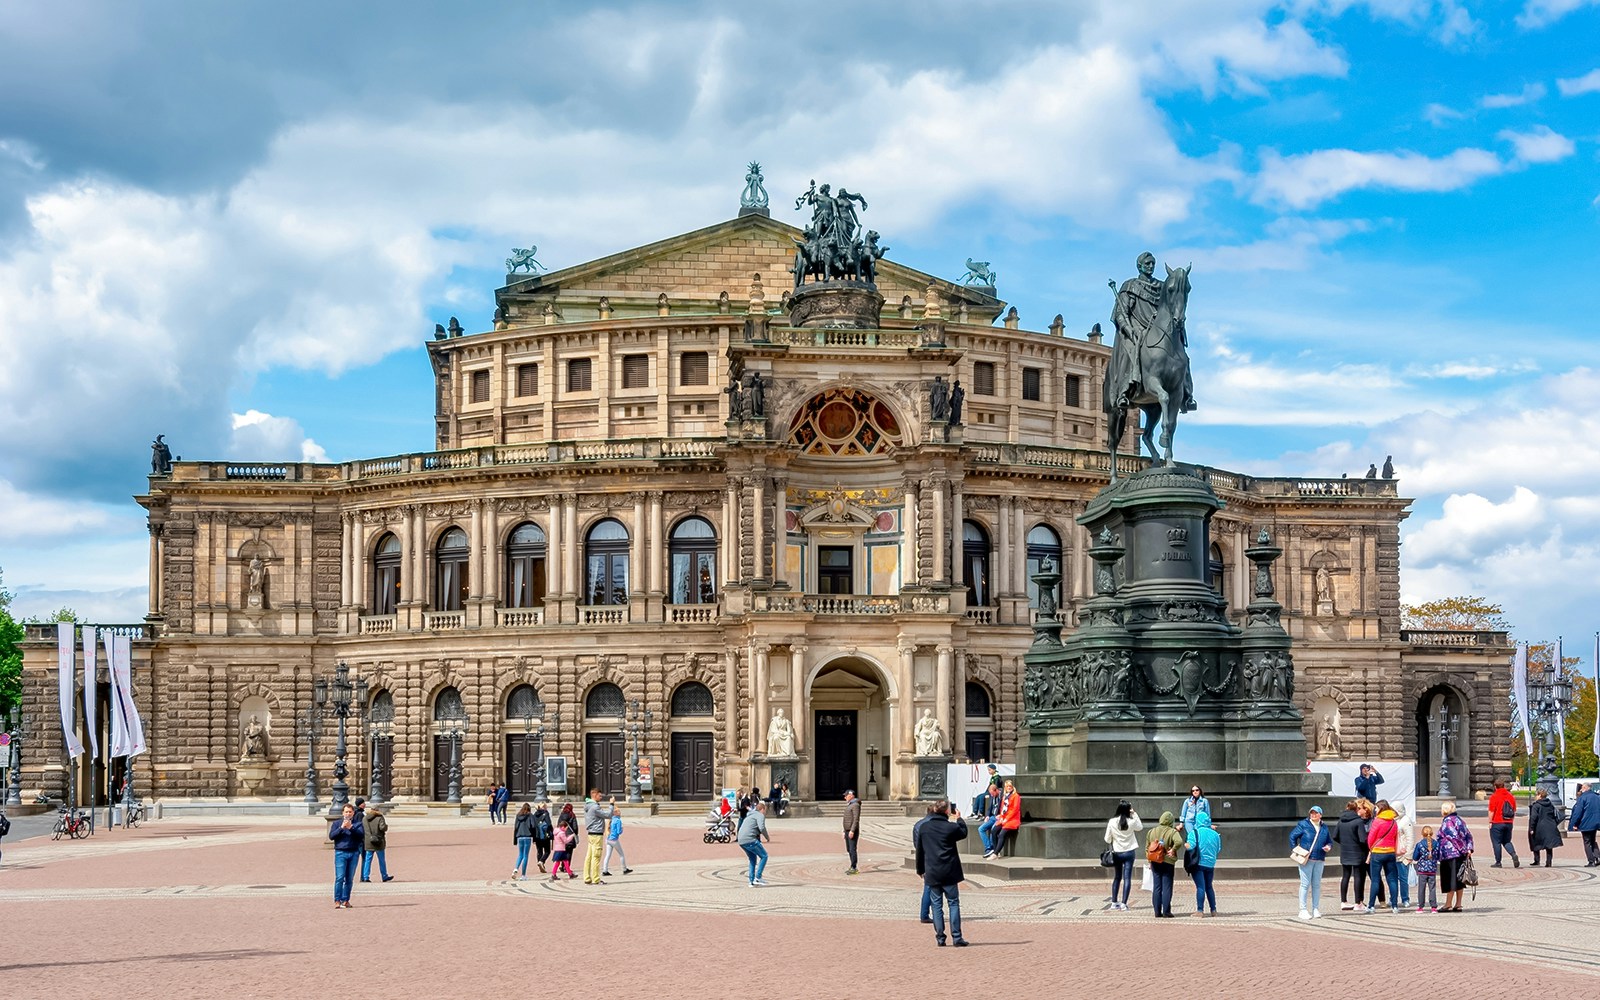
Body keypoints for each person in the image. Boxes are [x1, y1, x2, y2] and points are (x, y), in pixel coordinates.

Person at [913, 799, 968, 947]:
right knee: (953, 903)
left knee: (936, 905)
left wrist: (919, 869)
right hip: (949, 871)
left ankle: (940, 938)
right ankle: (957, 937)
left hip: (932, 871)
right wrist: (960, 819)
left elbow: (920, 851)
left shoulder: (924, 827)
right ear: (947, 811)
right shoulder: (950, 827)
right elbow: (963, 832)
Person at [1290, 804, 1334, 920]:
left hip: (1319, 858)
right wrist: (1296, 849)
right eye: (1312, 813)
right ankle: (1302, 909)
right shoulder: (1303, 824)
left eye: (1316, 813)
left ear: (1320, 815)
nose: (1313, 815)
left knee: (1316, 885)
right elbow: (1292, 836)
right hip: (1307, 858)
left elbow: (1329, 841)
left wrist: (1328, 846)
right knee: (1305, 884)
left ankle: (1315, 908)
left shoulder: (1324, 827)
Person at [1103, 800, 1143, 912]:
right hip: (1129, 852)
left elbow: (1107, 839)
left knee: (1117, 877)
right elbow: (1140, 827)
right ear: (1128, 810)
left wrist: (1114, 839)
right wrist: (1134, 813)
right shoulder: (1131, 821)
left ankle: (1114, 902)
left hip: (1117, 852)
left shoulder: (1112, 822)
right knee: (1127, 878)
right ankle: (1124, 904)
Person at [1436, 801, 1475, 912]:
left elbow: (1453, 837)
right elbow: (1468, 835)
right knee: (1459, 879)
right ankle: (1458, 904)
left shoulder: (1448, 821)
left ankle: (1448, 904)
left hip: (1450, 854)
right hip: (1460, 854)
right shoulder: (1459, 820)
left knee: (1450, 879)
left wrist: (1462, 849)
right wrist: (1468, 848)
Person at [1146, 811, 1185, 918]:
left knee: (1157, 887)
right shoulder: (1172, 832)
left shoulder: (1151, 831)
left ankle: (1157, 911)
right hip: (1168, 861)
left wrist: (1149, 861)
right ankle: (1166, 911)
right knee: (1167, 887)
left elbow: (1147, 848)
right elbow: (1179, 842)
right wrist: (1173, 849)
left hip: (1155, 861)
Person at [1331, 798, 1369, 910]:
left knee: (1345, 876)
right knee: (1358, 876)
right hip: (1357, 852)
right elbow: (1362, 839)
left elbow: (1335, 836)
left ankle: (1343, 901)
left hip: (1345, 851)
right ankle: (1358, 903)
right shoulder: (1358, 821)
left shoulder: (1341, 821)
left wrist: (1344, 843)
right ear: (1356, 809)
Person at [1364, 799, 1400, 914]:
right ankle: (1394, 906)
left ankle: (1371, 906)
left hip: (1378, 852)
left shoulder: (1378, 821)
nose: (1375, 810)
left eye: (1376, 808)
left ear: (1380, 808)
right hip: (1390, 852)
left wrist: (1371, 848)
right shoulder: (1393, 822)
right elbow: (1395, 837)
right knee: (1392, 879)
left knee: (1375, 879)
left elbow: (1371, 838)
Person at [328, 802, 364, 909]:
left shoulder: (358, 824)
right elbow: (331, 836)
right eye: (346, 812)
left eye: (350, 812)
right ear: (343, 813)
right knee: (339, 877)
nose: (348, 814)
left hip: (353, 853)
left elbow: (361, 835)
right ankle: (337, 900)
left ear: (353, 813)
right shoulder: (336, 823)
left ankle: (346, 900)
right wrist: (341, 828)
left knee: (349, 879)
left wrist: (351, 828)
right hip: (340, 853)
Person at [1188, 812, 1221, 917]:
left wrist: (1185, 845)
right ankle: (1213, 910)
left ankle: (1200, 910)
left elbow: (1190, 846)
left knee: (1200, 887)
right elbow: (1218, 849)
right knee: (1209, 887)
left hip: (1198, 864)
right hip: (1210, 864)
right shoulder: (1215, 834)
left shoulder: (1194, 832)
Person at [583, 788, 617, 885]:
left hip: (591, 833)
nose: (601, 797)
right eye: (599, 795)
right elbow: (608, 815)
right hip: (596, 834)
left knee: (589, 856)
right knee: (596, 857)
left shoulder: (588, 805)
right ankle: (596, 878)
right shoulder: (594, 807)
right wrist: (611, 804)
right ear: (594, 794)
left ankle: (587, 877)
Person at [911, 802, 937, 923]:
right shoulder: (936, 825)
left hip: (924, 858)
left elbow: (917, 846)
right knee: (930, 887)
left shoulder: (918, 824)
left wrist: (919, 866)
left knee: (929, 886)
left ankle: (925, 913)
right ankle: (925, 914)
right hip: (935, 859)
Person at [737, 800, 772, 887]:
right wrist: (767, 837)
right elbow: (762, 827)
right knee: (764, 856)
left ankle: (751, 881)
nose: (765, 812)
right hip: (750, 839)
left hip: (741, 840)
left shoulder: (749, 816)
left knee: (752, 859)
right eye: (765, 810)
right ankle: (758, 877)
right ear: (762, 809)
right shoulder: (760, 815)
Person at [1487, 779, 1520, 868]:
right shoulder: (1510, 796)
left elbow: (1491, 811)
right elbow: (1514, 810)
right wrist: (1511, 820)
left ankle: (1498, 862)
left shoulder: (1494, 796)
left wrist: (1490, 822)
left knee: (1496, 842)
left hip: (1497, 822)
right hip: (1508, 822)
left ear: (1495, 786)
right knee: (1507, 841)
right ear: (1504, 786)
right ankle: (1513, 854)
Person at [1528, 788, 1562, 867]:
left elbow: (1534, 817)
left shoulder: (1536, 805)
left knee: (1535, 842)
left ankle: (1537, 860)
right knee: (1549, 845)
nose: (1535, 796)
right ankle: (1548, 862)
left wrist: (1531, 828)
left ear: (1539, 795)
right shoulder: (1550, 804)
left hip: (1539, 827)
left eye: (1536, 795)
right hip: (1550, 826)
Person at [1569, 781, 1600, 866]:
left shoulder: (1582, 798)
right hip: (1596, 822)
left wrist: (1574, 824)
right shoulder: (1597, 797)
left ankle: (1591, 861)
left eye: (1582, 787)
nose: (1581, 789)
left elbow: (1578, 812)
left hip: (1586, 823)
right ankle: (1598, 857)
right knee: (1593, 840)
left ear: (1585, 788)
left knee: (1587, 842)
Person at [361, 801, 392, 884]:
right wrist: (386, 826)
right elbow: (382, 828)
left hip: (368, 841)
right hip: (379, 841)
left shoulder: (365, 818)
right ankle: (384, 876)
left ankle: (365, 876)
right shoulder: (380, 817)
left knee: (368, 859)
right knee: (381, 860)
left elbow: (365, 830)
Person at [990, 779, 1022, 858]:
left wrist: (1006, 818)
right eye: (1007, 786)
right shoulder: (1005, 796)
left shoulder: (1016, 796)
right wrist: (1001, 817)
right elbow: (1002, 809)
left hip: (1012, 819)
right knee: (994, 831)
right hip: (1004, 818)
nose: (1009, 788)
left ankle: (995, 853)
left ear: (1012, 787)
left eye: (1010, 786)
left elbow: (1015, 809)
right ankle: (996, 850)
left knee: (1001, 834)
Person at [1412, 825, 1441, 912]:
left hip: (1422, 870)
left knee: (1421, 889)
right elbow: (1439, 857)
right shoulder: (1436, 844)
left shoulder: (1420, 845)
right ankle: (1433, 907)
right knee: (1432, 888)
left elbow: (1415, 857)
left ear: (1422, 834)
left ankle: (1421, 906)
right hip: (1432, 870)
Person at [1393, 802, 1415, 909]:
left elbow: (1410, 838)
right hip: (1393, 854)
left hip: (1403, 855)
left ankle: (1405, 898)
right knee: (1393, 878)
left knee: (1403, 878)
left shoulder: (1406, 820)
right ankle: (1393, 898)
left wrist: (1409, 855)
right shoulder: (1393, 820)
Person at [602, 809, 632, 876]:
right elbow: (619, 832)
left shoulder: (611, 820)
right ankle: (624, 869)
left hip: (608, 839)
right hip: (614, 839)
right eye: (619, 812)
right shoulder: (618, 820)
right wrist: (622, 829)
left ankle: (605, 870)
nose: (620, 813)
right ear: (616, 813)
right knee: (621, 854)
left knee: (607, 855)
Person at [977, 782, 1003, 856]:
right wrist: (987, 816)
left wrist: (1001, 815)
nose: (991, 795)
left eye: (992, 794)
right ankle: (988, 848)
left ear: (996, 791)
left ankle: (993, 848)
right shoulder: (992, 796)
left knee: (993, 829)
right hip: (992, 817)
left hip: (999, 817)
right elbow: (989, 807)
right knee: (981, 829)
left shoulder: (1002, 796)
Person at [513, 802, 537, 880]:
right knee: (525, 856)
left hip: (519, 836)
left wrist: (515, 839)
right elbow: (533, 826)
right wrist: (534, 838)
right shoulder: (530, 815)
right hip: (527, 836)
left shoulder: (518, 815)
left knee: (520, 855)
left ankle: (516, 868)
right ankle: (523, 875)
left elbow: (516, 827)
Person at [549, 816, 576, 881]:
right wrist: (571, 836)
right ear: (563, 827)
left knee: (560, 862)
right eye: (566, 828)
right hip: (561, 849)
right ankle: (568, 874)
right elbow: (566, 841)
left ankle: (568, 874)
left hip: (557, 849)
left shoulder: (556, 832)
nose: (566, 829)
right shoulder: (562, 833)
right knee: (564, 862)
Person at [842, 788, 861, 875]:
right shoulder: (850, 805)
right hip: (847, 830)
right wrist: (844, 830)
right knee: (849, 849)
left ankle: (854, 867)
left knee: (852, 849)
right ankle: (852, 866)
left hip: (851, 831)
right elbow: (847, 819)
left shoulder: (855, 805)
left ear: (851, 795)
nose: (845, 797)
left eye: (846, 795)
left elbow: (856, 819)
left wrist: (852, 830)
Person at [532, 801, 554, 873]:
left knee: (539, 851)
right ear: (544, 807)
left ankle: (540, 864)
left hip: (537, 835)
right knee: (547, 851)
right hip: (545, 835)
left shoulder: (535, 814)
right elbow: (549, 824)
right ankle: (541, 861)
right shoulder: (546, 813)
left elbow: (533, 825)